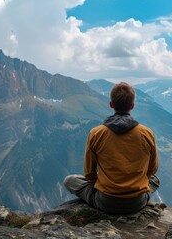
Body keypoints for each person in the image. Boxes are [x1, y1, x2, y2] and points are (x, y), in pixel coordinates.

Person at [64, 82, 159, 214]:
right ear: (132, 106)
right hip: (137, 202)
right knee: (154, 179)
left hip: (106, 202)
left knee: (70, 180)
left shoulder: (96, 133)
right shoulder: (147, 133)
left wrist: (108, 183)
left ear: (111, 105)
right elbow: (152, 169)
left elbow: (89, 174)